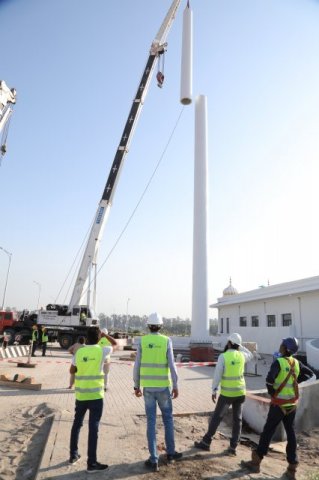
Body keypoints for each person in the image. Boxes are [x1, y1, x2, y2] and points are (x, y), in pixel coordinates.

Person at [241, 337, 315, 480]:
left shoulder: (278, 362)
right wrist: (296, 382)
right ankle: (292, 467)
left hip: (279, 405)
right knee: (291, 434)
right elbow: (311, 374)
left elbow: (269, 380)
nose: (280, 346)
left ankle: (256, 462)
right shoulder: (296, 362)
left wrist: (273, 394)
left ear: (286, 348)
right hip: (291, 405)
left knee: (268, 431)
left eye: (282, 344)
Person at [133, 312, 182, 472]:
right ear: (161, 326)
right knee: (168, 420)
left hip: (148, 389)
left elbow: (137, 365)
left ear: (148, 326)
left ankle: (153, 459)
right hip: (163, 388)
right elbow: (172, 365)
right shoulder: (166, 340)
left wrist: (136, 385)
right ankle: (171, 453)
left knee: (151, 422)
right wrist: (175, 384)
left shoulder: (143, 341)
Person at [194, 332, 253, 455]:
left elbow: (217, 375)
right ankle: (233, 447)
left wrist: (214, 389)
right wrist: (240, 346)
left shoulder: (223, 357)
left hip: (227, 393)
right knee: (238, 419)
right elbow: (251, 354)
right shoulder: (242, 356)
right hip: (240, 392)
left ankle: (206, 442)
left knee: (217, 417)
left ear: (230, 343)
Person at [69, 326, 112, 473]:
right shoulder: (102, 351)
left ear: (86, 338)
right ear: (99, 338)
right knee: (93, 427)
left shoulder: (79, 351)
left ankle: (73, 455)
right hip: (96, 396)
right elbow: (115, 345)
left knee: (77, 424)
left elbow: (71, 370)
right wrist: (105, 335)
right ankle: (91, 463)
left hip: (81, 395)